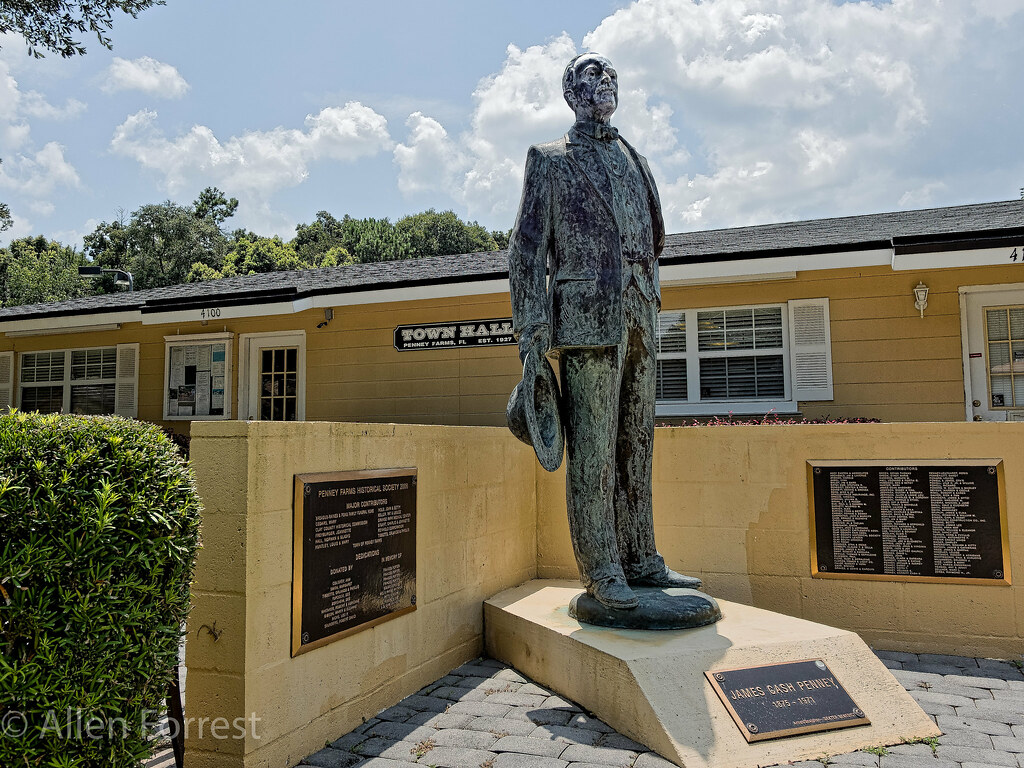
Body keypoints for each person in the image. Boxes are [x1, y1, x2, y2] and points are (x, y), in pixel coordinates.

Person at [508, 52, 701, 610]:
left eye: (613, 73)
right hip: (588, 319)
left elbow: (654, 238)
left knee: (637, 444)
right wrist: (533, 327)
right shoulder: (550, 160)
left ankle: (643, 559)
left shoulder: (635, 157)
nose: (607, 80)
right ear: (571, 91)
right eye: (594, 74)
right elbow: (526, 251)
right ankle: (603, 568)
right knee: (592, 451)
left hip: (642, 311)